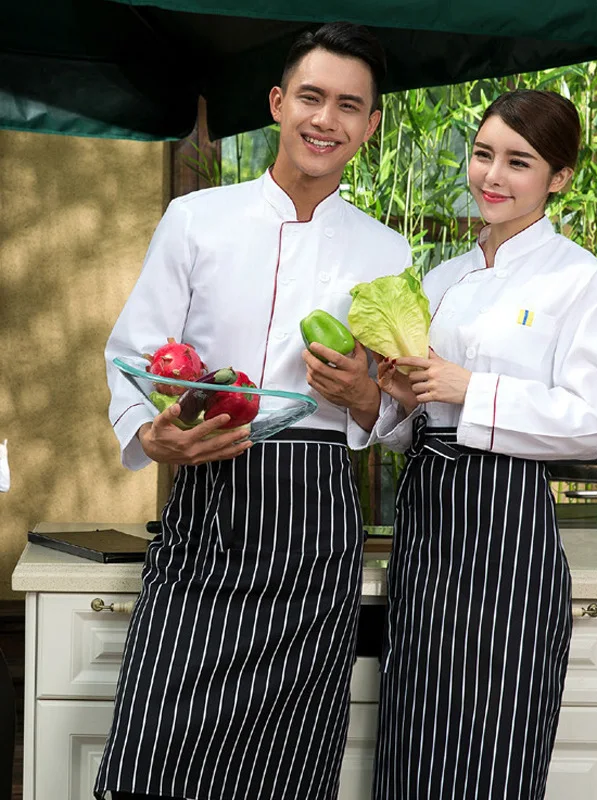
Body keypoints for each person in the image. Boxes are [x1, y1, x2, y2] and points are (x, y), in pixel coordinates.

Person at [95, 22, 411, 800]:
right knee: (156, 744)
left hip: (315, 517)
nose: (324, 120)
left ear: (370, 127)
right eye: (310, 97)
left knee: (288, 765)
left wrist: (365, 398)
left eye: (348, 105)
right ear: (277, 103)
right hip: (213, 496)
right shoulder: (195, 221)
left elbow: (403, 410)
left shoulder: (389, 253)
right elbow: (134, 352)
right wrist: (152, 435)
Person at [370, 89, 597, 800]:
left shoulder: (578, 278)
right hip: (426, 522)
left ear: (560, 177)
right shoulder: (441, 279)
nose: (493, 176)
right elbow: (411, 420)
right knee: (414, 733)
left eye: (519, 161)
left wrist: (465, 386)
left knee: (495, 737)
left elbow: (590, 421)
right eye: (484, 155)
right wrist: (384, 397)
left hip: (506, 529)